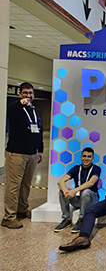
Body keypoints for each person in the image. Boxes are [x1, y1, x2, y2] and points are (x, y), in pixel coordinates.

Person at [2, 82, 44, 229]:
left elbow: (39, 129)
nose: (28, 96)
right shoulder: (15, 108)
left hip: (32, 153)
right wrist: (20, 104)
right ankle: (9, 217)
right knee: (13, 186)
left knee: (26, 184)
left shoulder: (35, 110)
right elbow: (10, 111)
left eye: (30, 93)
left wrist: (40, 150)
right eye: (25, 93)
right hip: (17, 154)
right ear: (20, 94)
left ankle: (22, 209)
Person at [55, 147, 101, 233]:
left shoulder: (96, 169)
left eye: (89, 156)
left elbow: (90, 183)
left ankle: (82, 219)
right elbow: (60, 182)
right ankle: (66, 218)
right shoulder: (76, 168)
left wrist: (74, 190)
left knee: (85, 191)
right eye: (84, 156)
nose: (86, 159)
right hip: (79, 200)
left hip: (92, 200)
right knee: (62, 190)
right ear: (81, 157)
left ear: (92, 158)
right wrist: (66, 191)